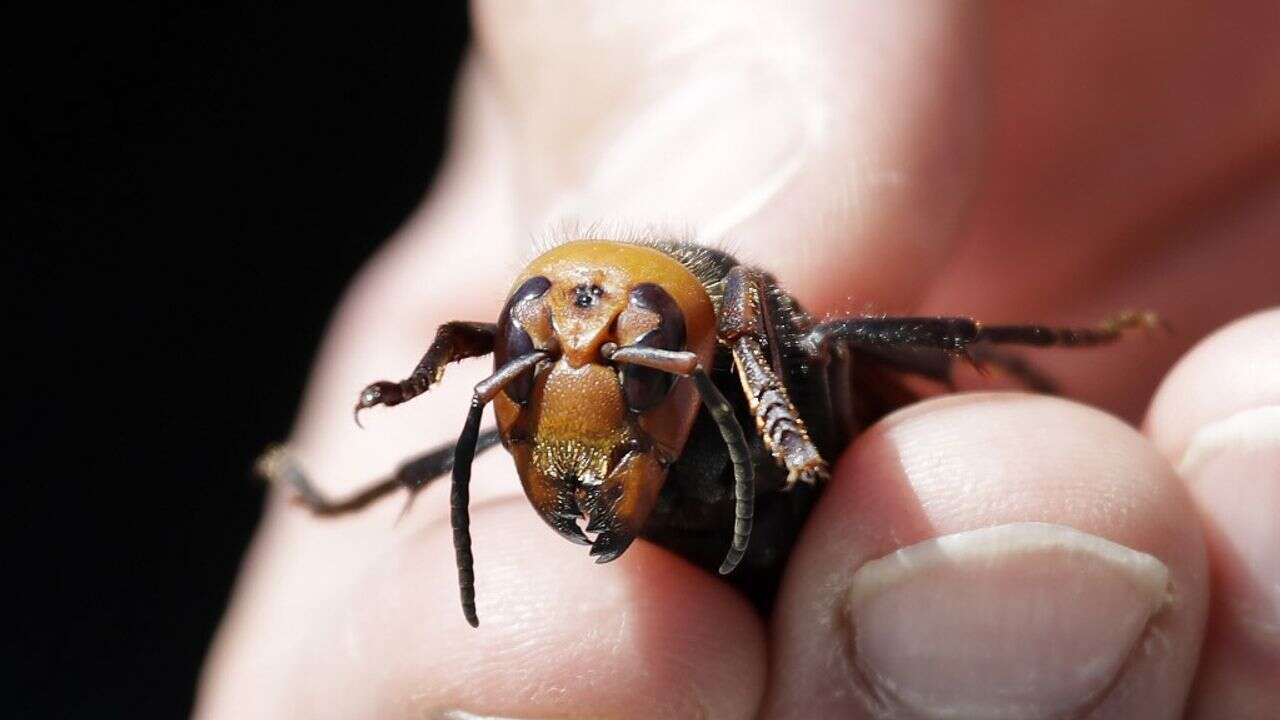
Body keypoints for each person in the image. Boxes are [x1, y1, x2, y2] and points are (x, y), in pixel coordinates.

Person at [195, 3, 1280, 718]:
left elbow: (777, 333)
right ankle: (353, 503)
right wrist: (424, 387)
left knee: (844, 345)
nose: (569, 356)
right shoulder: (544, 353)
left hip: (806, 514)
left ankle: (1064, 353)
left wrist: (770, 386)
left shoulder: (744, 322)